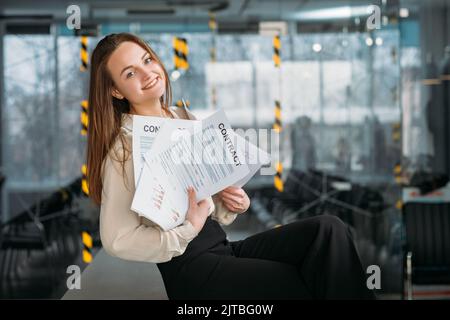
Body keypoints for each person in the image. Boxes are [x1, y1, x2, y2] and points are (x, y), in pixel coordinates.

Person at [87, 33, 375, 300]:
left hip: (221, 248)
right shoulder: (123, 151)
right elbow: (116, 239)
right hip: (191, 269)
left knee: (328, 230)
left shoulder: (182, 117)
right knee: (296, 281)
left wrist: (228, 200)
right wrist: (187, 230)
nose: (147, 73)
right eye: (130, 73)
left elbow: (202, 198)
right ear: (116, 91)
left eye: (147, 60)